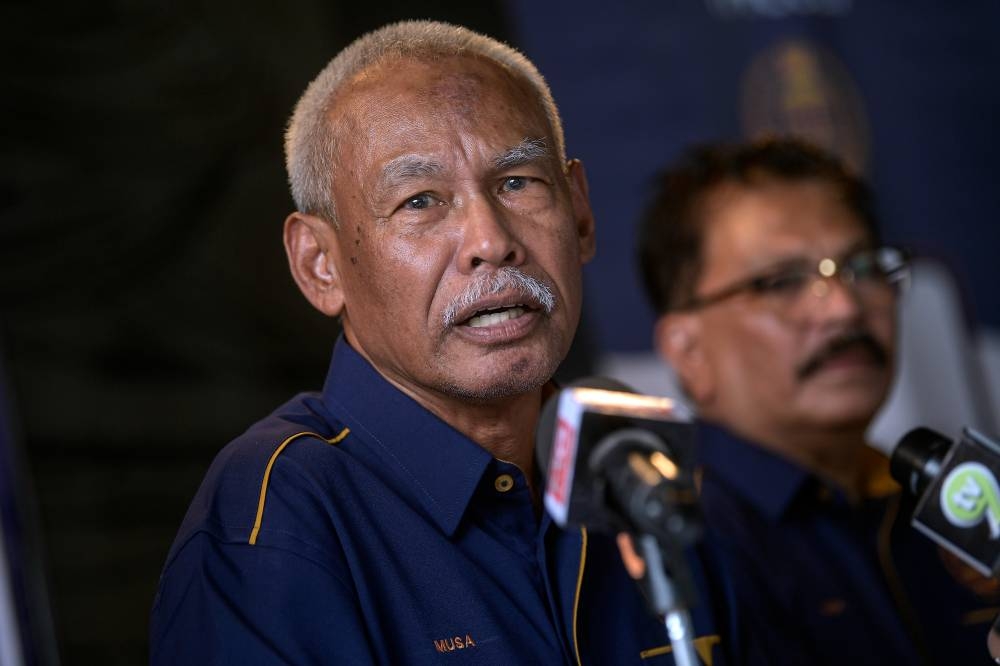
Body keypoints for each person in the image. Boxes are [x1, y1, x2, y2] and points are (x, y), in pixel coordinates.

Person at [150, 21, 727, 665]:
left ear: (582, 213)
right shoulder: (278, 521)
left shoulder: (637, 474)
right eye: (420, 200)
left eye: (518, 183)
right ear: (320, 264)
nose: (491, 240)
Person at [638, 137, 999, 665]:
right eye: (783, 281)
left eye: (863, 267)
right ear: (686, 350)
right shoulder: (672, 547)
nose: (845, 309)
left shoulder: (948, 495)